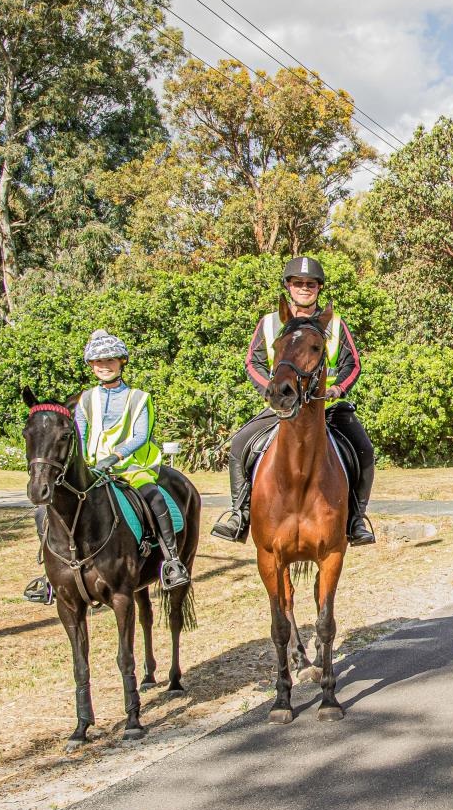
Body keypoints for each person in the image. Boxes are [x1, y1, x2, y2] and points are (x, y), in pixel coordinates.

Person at [211, 256, 377, 546]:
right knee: (239, 444)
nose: (304, 288)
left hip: (327, 408)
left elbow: (354, 365)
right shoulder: (270, 322)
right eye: (298, 283)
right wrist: (270, 391)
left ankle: (355, 520)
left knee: (363, 449)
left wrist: (338, 389)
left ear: (319, 288)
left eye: (310, 284)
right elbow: (253, 363)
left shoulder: (335, 324)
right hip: (283, 408)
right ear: (288, 286)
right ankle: (240, 515)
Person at [23, 329, 190, 603]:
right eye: (98, 362)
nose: (104, 366)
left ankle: (172, 561)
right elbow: (80, 433)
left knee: (156, 500)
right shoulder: (85, 399)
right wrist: (85, 463)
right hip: (92, 470)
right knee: (45, 511)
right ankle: (49, 575)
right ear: (91, 365)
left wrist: (115, 456)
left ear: (122, 361)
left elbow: (140, 435)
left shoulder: (139, 397)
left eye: (110, 360)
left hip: (132, 468)